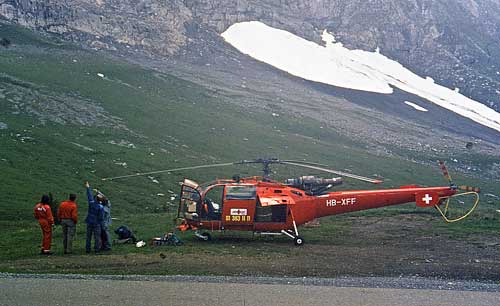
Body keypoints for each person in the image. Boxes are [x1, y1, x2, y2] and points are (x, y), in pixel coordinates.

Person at [85, 181, 104, 253]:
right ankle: (97, 249)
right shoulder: (100, 207)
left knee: (88, 236)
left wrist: (88, 187)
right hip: (96, 223)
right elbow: (101, 217)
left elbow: (89, 195)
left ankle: (87, 249)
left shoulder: (91, 203)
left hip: (89, 221)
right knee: (97, 237)